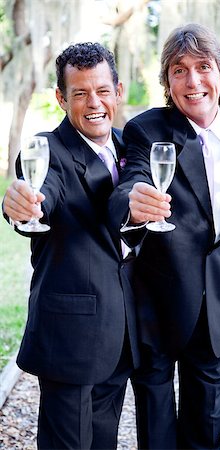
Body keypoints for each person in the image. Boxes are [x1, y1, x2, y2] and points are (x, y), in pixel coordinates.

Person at [108, 23, 220, 450]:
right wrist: (132, 202)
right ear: (167, 81)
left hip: (217, 297)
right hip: (157, 297)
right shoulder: (147, 129)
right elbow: (131, 183)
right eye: (179, 70)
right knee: (157, 410)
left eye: (203, 67)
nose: (193, 80)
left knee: (209, 409)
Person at [2, 42, 139, 449]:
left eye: (101, 90)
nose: (93, 102)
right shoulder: (45, 150)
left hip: (124, 328)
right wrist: (23, 208)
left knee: (102, 440)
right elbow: (39, 194)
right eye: (80, 93)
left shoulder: (131, 147)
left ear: (118, 90)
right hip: (72, 335)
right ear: (61, 98)